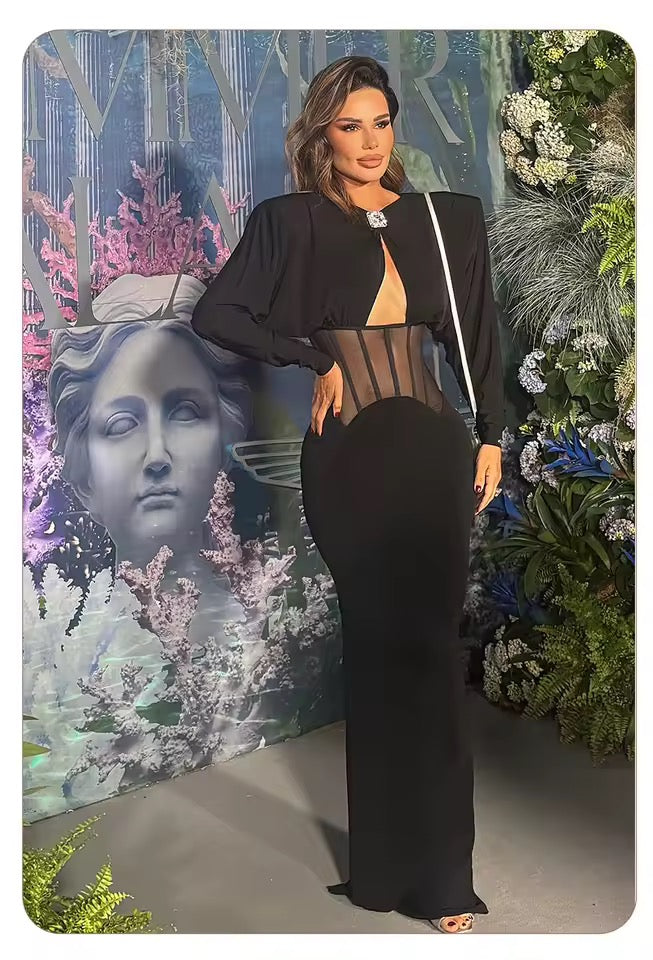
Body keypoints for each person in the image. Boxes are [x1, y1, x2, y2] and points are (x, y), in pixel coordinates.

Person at [191, 56, 504, 934]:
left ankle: (443, 880)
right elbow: (217, 314)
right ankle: (382, 872)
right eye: (348, 126)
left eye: (380, 123)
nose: (368, 143)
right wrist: (312, 357)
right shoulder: (288, 222)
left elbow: (478, 333)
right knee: (376, 656)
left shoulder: (446, 219)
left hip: (434, 454)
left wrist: (491, 434)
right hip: (350, 463)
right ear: (321, 135)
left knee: (433, 656)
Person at [48, 272, 251, 639]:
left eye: (185, 413)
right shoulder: (64, 657)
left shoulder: (267, 631)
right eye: (122, 424)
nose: (157, 455)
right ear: (85, 479)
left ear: (225, 444)